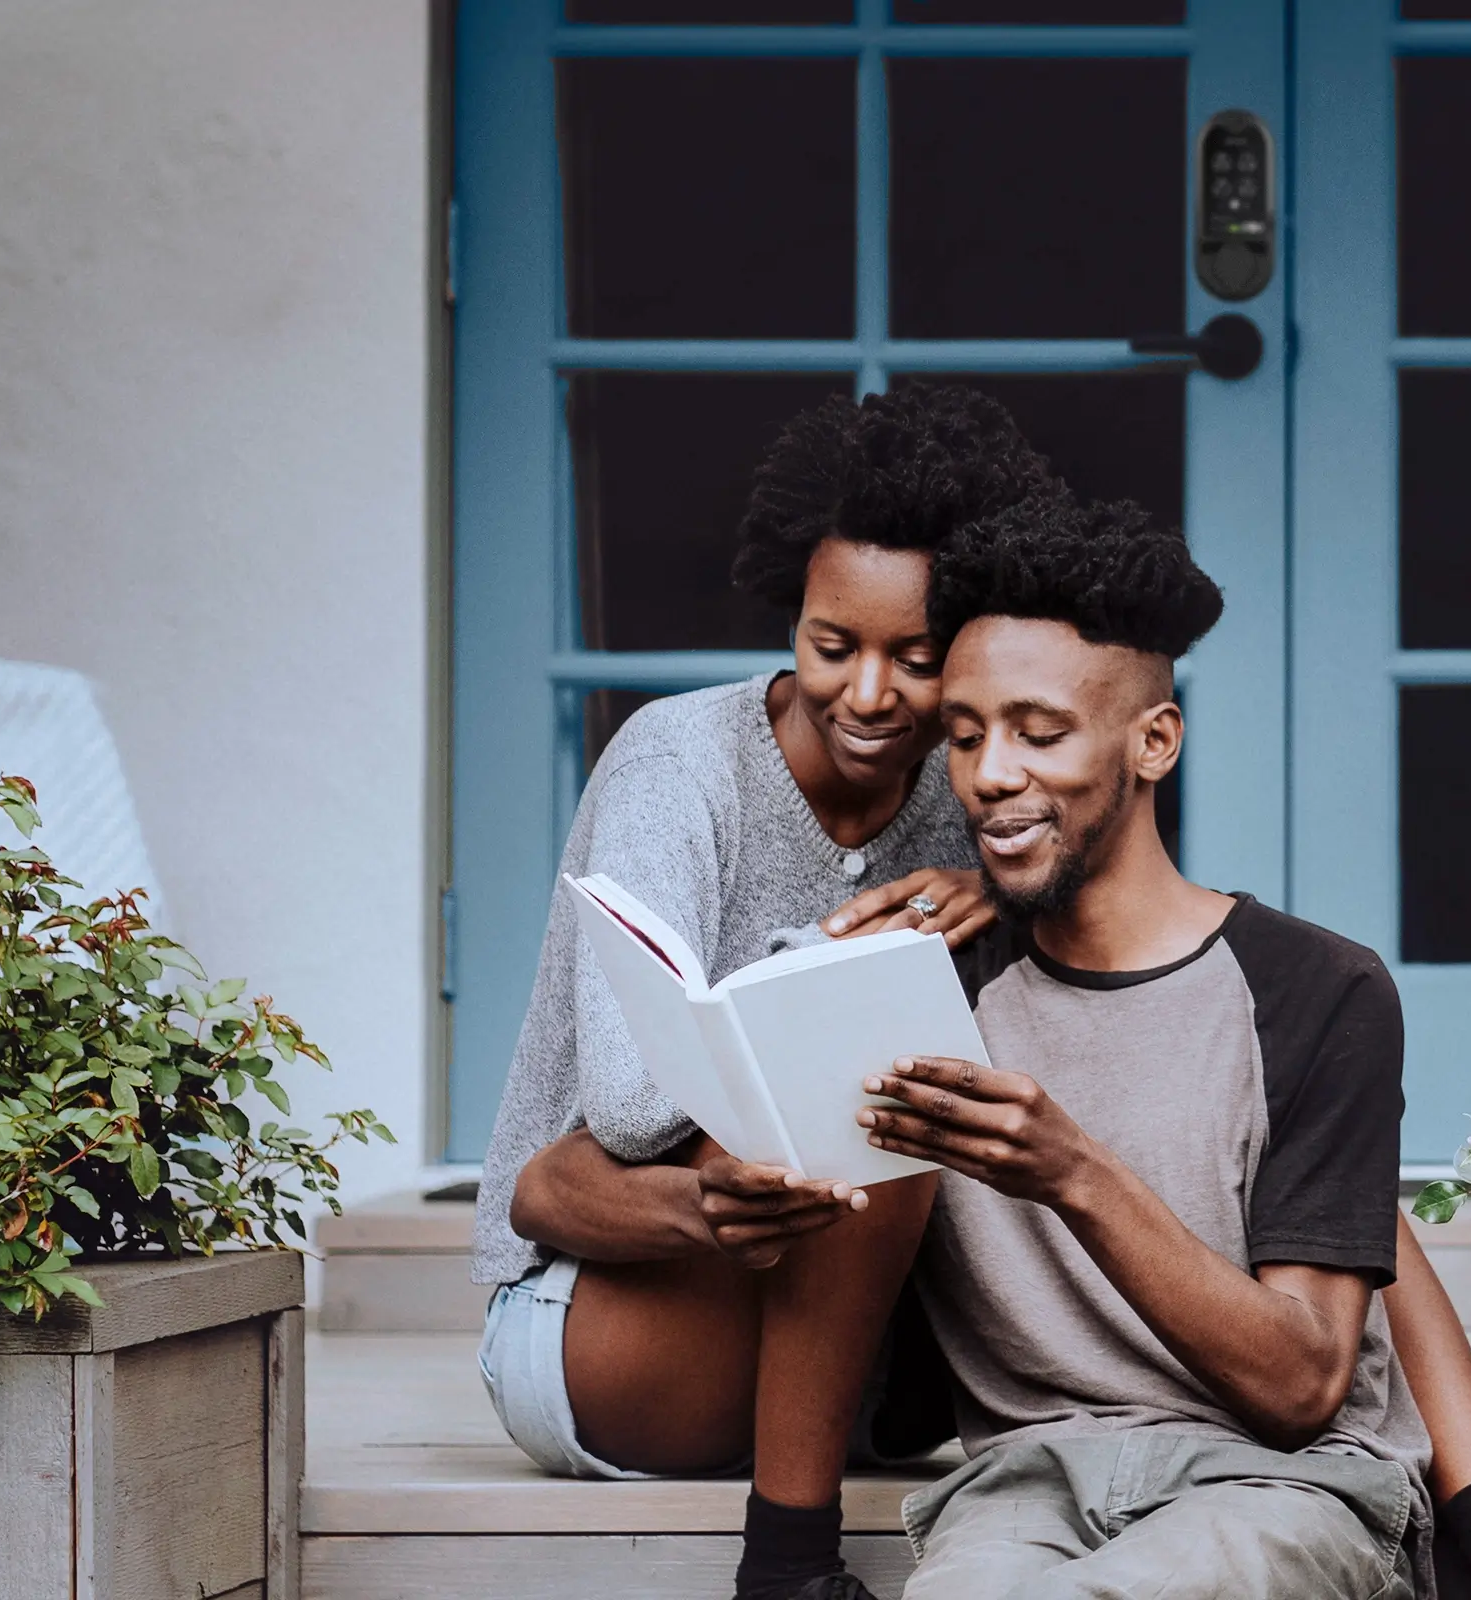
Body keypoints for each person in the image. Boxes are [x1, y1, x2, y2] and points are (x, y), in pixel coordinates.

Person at [845, 498, 1471, 1600]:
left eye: (1038, 732)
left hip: (1284, 1487)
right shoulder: (926, 985)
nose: (989, 773)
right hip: (1023, 1487)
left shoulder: (1314, 990)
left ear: (1154, 740)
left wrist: (1072, 1171)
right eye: (962, 735)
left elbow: (1299, 1384)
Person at [471, 384, 1043, 1600]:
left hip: (856, 1353)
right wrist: (837, 958)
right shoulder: (680, 765)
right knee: (871, 1073)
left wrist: (1007, 909)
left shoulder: (970, 790)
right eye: (832, 646)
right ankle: (787, 1569)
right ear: (791, 612)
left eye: (919, 659)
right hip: (604, 1325)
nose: (871, 695)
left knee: (908, 1089)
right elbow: (625, 1110)